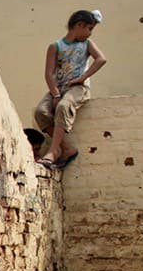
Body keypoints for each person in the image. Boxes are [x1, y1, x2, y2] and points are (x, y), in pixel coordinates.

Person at [34, 9, 107, 168]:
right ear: (79, 25)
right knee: (41, 112)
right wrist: (55, 94)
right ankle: (66, 148)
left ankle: (53, 151)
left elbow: (101, 59)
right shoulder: (56, 46)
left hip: (78, 88)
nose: (89, 33)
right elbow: (49, 74)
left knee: (64, 106)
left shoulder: (87, 44)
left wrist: (82, 77)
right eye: (89, 29)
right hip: (59, 87)